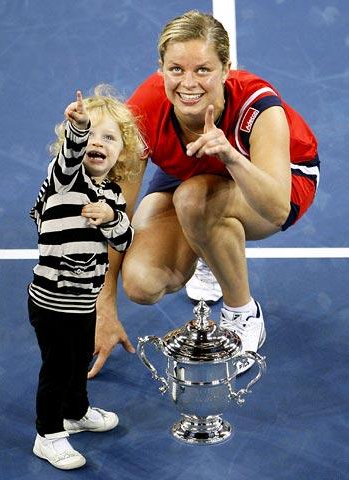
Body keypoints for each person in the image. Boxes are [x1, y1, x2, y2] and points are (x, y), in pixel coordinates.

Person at [89, 10, 319, 379]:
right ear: (160, 68)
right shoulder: (144, 110)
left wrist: (229, 155)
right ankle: (210, 245)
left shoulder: (258, 108)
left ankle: (242, 312)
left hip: (276, 176)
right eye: (176, 69)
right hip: (186, 173)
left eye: (203, 69)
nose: (188, 83)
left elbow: (277, 209)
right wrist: (105, 306)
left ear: (227, 69)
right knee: (142, 284)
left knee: (195, 199)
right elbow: (117, 209)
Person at [28, 86, 143, 470]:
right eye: (89, 134)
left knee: (78, 360)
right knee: (57, 367)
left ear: (121, 152)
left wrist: (111, 218)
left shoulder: (111, 193)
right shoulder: (63, 179)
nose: (97, 142)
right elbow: (71, 155)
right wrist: (78, 130)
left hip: (83, 300)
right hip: (52, 300)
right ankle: (48, 435)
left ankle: (75, 412)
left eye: (109, 137)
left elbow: (125, 237)